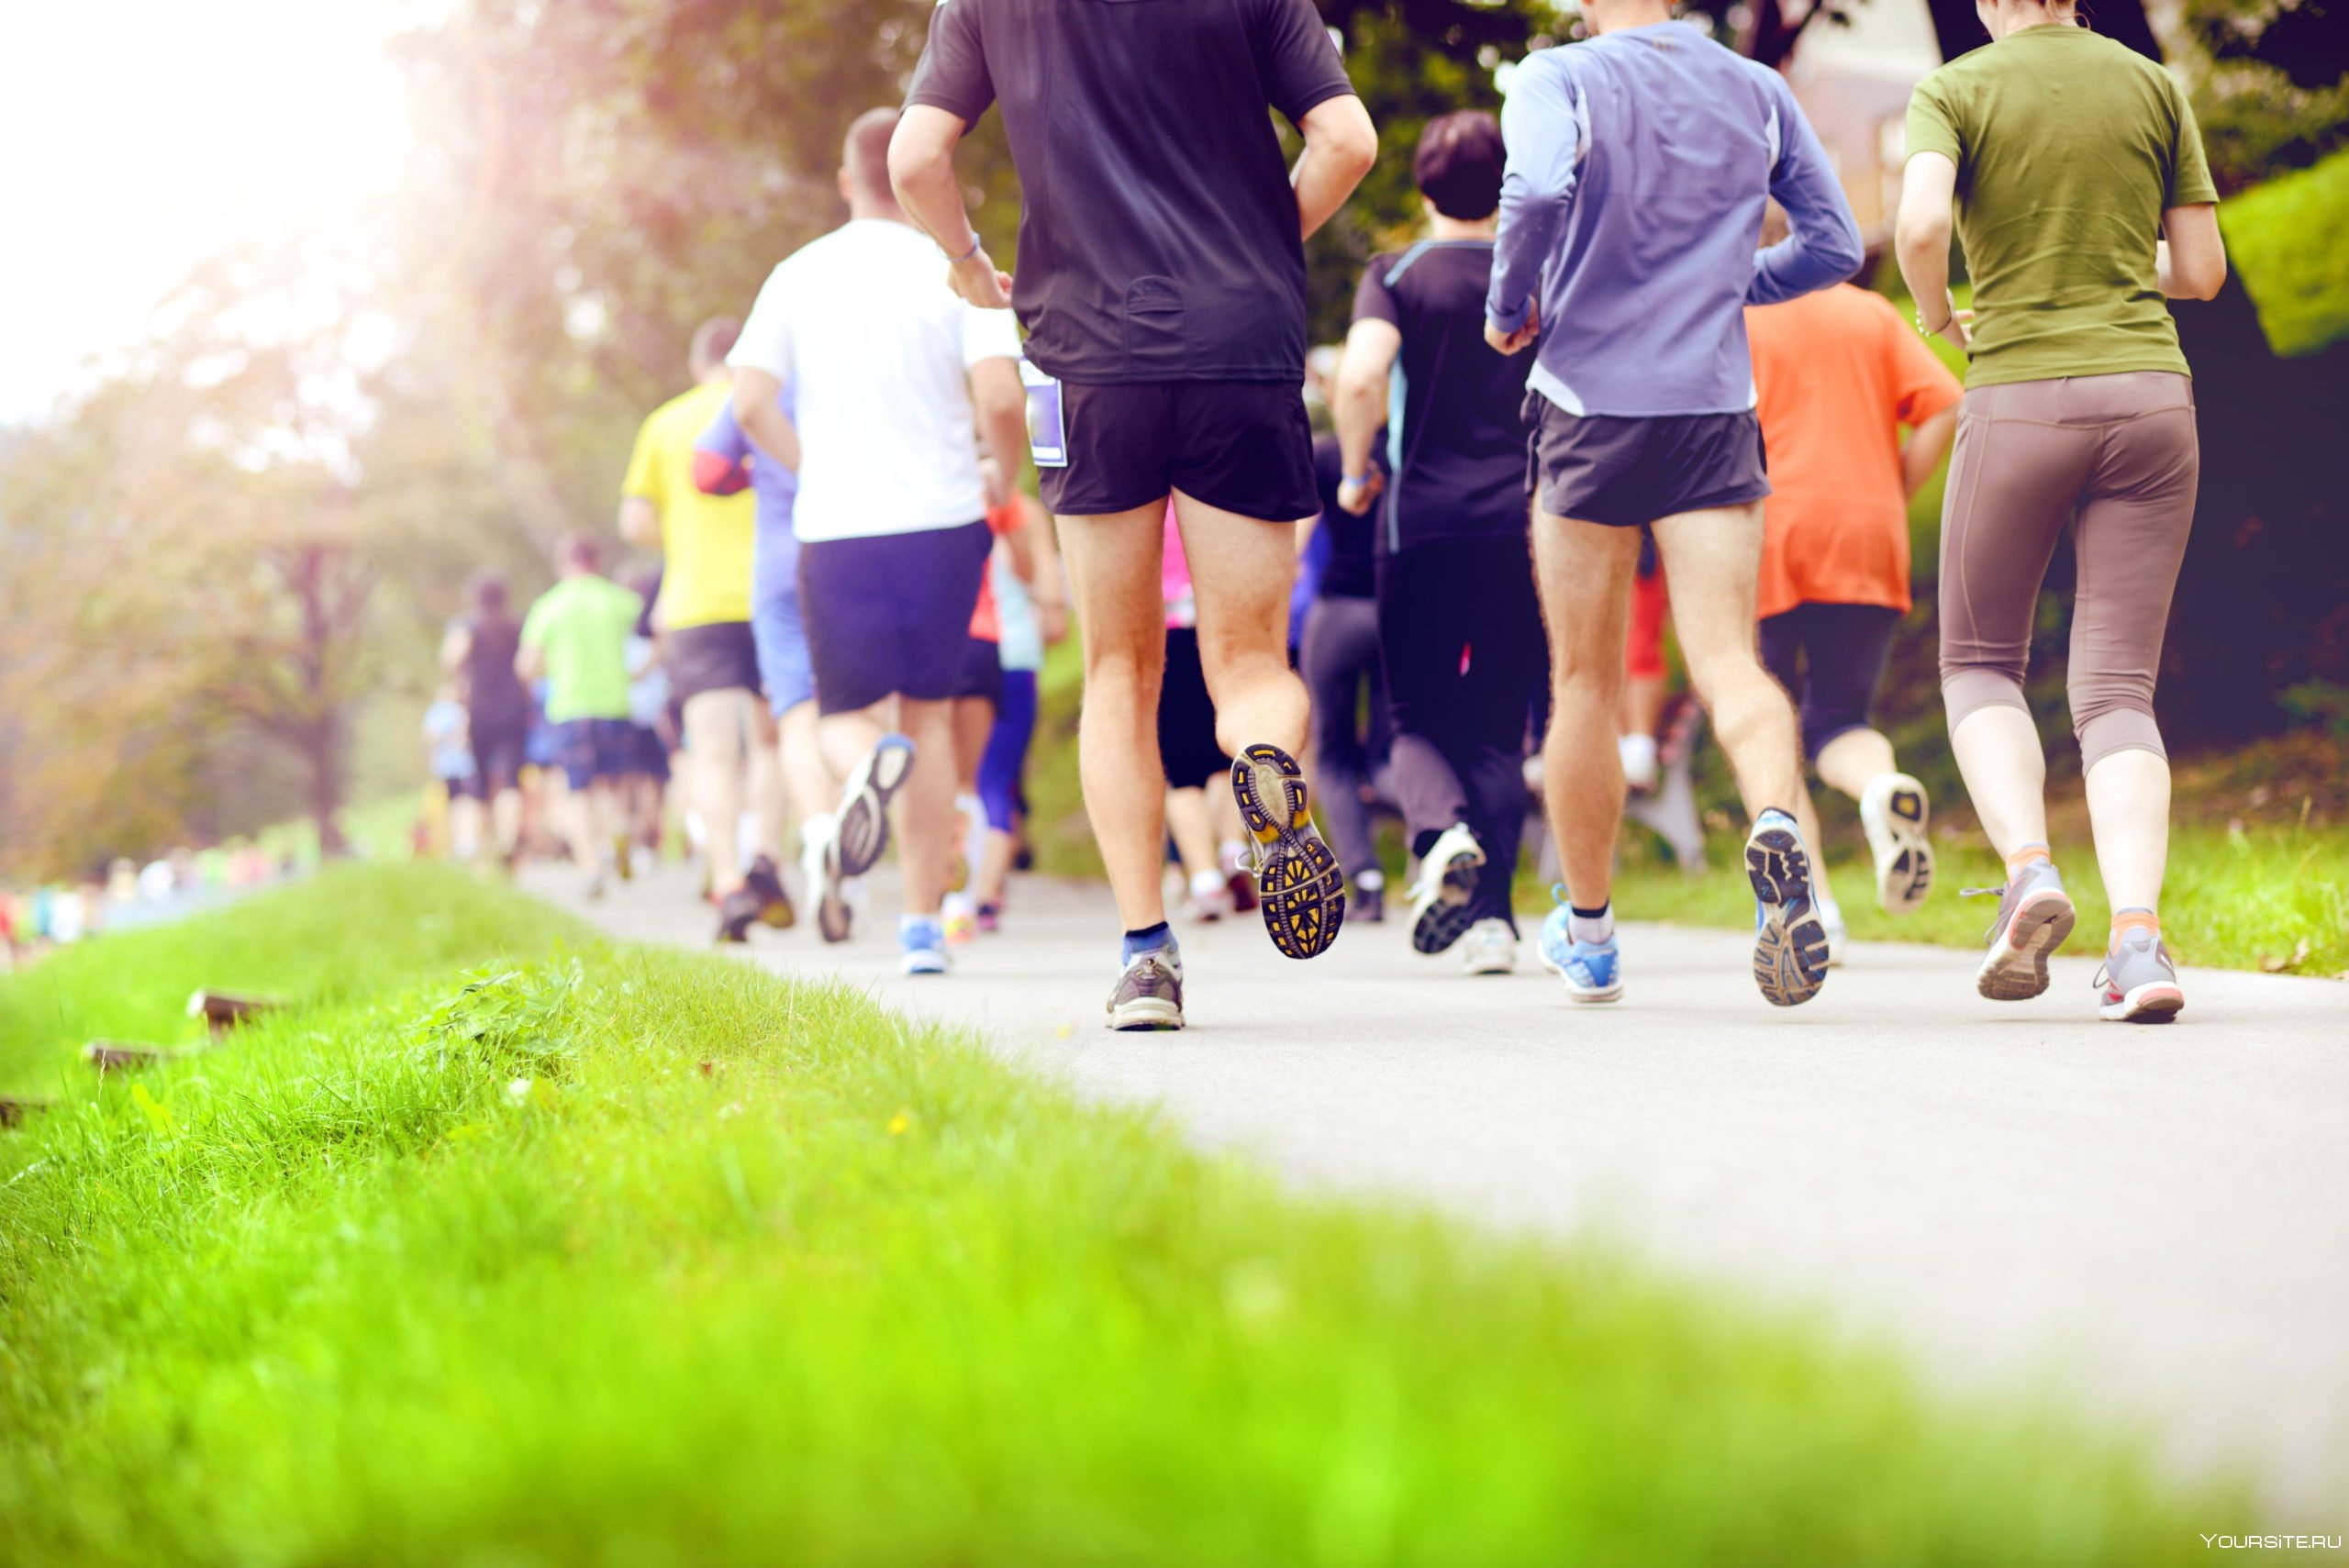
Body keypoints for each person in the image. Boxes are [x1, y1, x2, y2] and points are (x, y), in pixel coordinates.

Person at [891, 0, 1378, 1029]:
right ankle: (1261, 766)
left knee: (1121, 666)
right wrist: (1257, 242)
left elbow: (914, 156)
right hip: (1240, 342)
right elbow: (1347, 140)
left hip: (1087, 354)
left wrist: (970, 263)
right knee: (1247, 660)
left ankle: (1146, 956)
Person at [1485, 0, 1865, 1008]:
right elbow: (1834, 245)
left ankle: (1595, 934)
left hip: (1584, 404)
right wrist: (1724, 287)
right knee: (1730, 660)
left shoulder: (1553, 78)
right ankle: (1775, 824)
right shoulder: (1757, 87)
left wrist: (1508, 306)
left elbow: (1528, 190)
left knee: (1585, 683)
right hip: (1710, 404)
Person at [1897, 0, 2224, 1021]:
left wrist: (1937, 309)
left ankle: (2030, 873)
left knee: (1980, 662)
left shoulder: (1954, 88)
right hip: (2150, 400)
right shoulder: (2150, 83)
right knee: (2118, 685)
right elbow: (2202, 271)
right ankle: (2137, 942)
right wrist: (2119, 276)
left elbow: (1918, 224)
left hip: (2019, 401)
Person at [728, 108, 1031, 977]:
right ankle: (922, 931)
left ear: (843, 181)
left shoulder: (797, 274)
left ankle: (868, 762)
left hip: (838, 524)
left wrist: (813, 462)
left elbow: (749, 402)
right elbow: (1004, 403)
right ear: (918, 176)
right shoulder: (954, 267)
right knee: (929, 718)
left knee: (840, 716)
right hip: (945, 521)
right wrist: (999, 480)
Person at [1333, 110, 1542, 976]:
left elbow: (1360, 374)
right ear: (1505, 187)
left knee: (1414, 715)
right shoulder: (1532, 277)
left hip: (1415, 527)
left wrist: (1354, 470)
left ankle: (1439, 831)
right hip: (1525, 528)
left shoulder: (1398, 274)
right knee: (1499, 727)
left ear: (1422, 187)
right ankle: (1492, 921)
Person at [1746, 260, 1964, 956]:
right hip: (1867, 535)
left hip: (1764, 536)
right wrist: (1889, 490)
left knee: (1765, 731)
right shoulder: (1869, 313)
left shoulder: (1730, 316)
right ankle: (1880, 790)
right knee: (1841, 718)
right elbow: (1946, 404)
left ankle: (1816, 910)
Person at [620, 317, 791, 940]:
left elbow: (635, 521)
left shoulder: (665, 424)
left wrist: (682, 532)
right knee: (772, 742)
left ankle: (727, 883)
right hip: (771, 595)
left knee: (714, 751)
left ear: (698, 365)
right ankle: (765, 857)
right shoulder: (769, 407)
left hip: (694, 605)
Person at [1301, 344, 1392, 924]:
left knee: (1330, 755)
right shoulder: (1407, 456)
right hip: (1399, 614)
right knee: (1393, 749)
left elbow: (1294, 538)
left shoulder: (1324, 456)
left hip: (1336, 615)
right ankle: (1439, 843)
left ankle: (1365, 876)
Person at [516, 536, 644, 900]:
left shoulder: (549, 606)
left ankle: (590, 868)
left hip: (570, 707)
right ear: (597, 561)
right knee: (615, 784)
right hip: (615, 704)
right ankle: (619, 829)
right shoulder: (618, 600)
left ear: (561, 563)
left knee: (578, 789)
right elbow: (655, 635)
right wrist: (640, 672)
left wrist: (547, 674)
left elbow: (526, 665)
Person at [972, 487, 1068, 930]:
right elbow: (1053, 612)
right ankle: (985, 894)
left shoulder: (938, 492)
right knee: (998, 779)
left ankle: (961, 889)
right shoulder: (1023, 509)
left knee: (964, 780)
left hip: (962, 654)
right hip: (1017, 656)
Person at [440, 571, 531, 866]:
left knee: (478, 785)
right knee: (510, 781)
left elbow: (451, 660)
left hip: (479, 712)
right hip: (514, 711)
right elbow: (527, 669)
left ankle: (485, 850)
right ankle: (508, 840)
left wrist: (459, 689)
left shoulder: (466, 626)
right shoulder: (517, 625)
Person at [420, 685, 481, 860]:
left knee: (465, 801)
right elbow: (431, 738)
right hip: (448, 767)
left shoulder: (459, 711)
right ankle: (457, 840)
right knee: (454, 803)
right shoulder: (438, 712)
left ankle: (467, 839)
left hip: (463, 766)